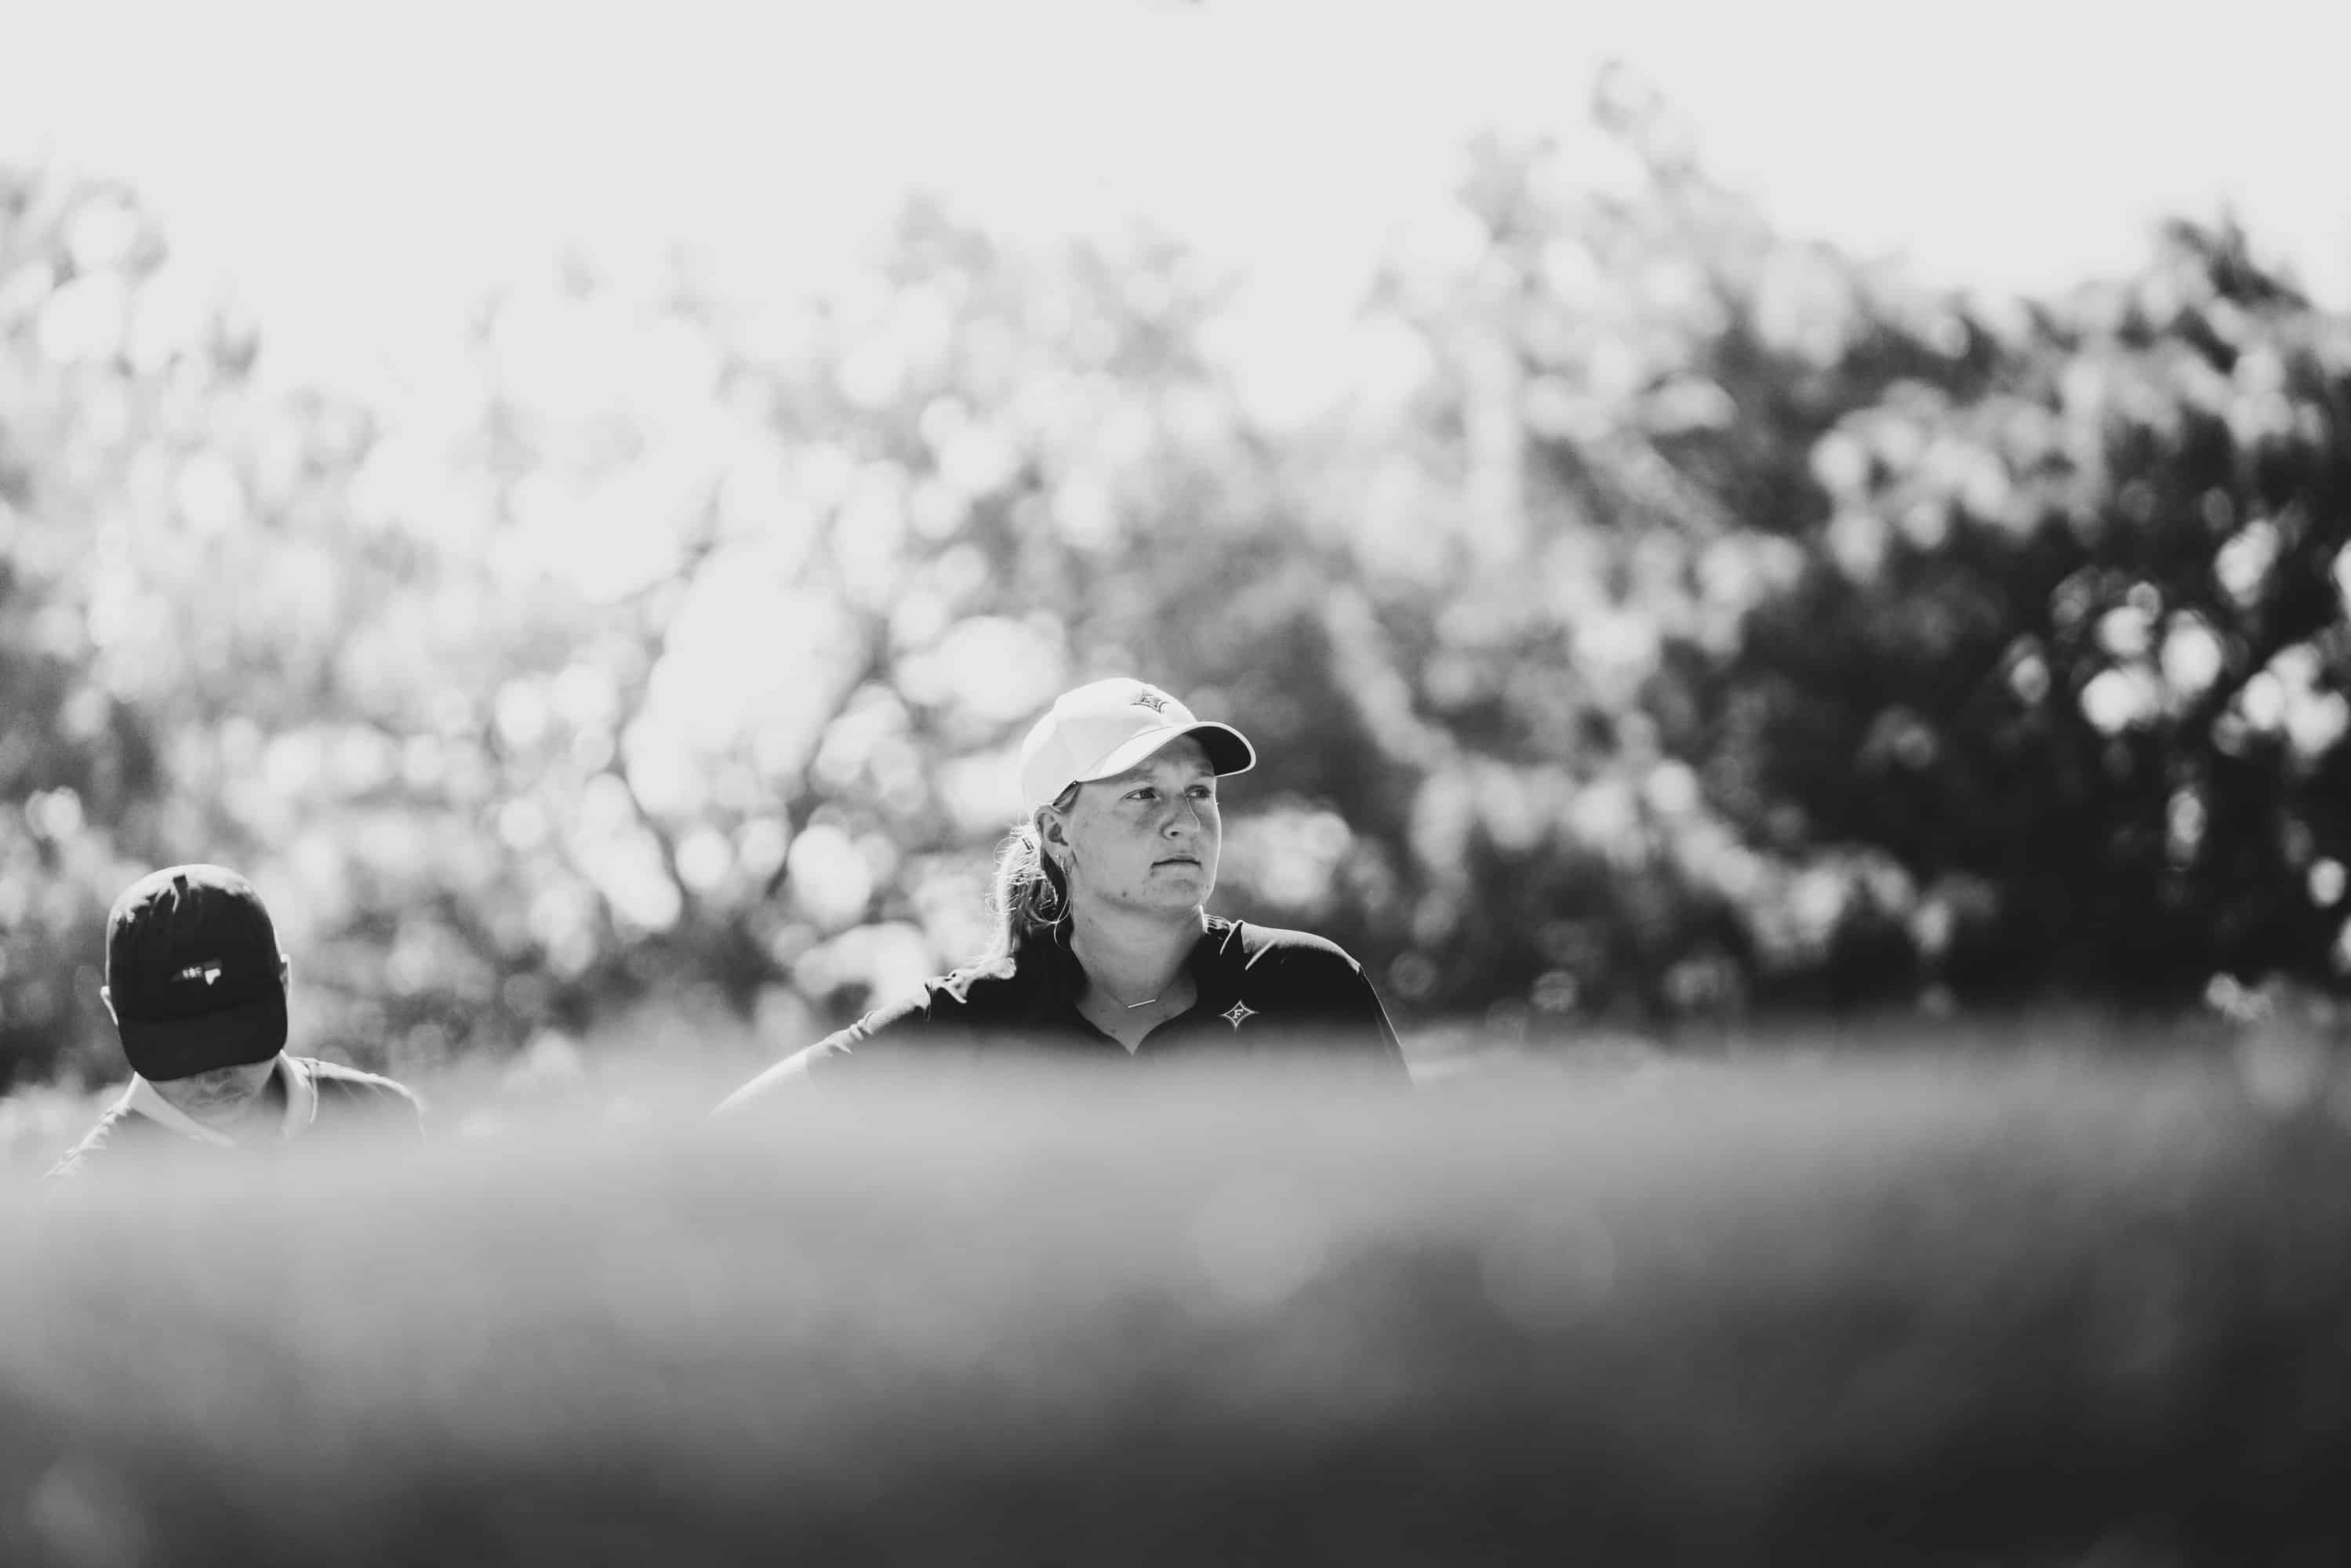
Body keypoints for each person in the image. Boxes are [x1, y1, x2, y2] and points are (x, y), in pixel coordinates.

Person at [718, 677, 1408, 1109]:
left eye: (1199, 791)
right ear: (1057, 832)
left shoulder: (1308, 983)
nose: (1184, 819)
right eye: (1143, 793)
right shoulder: (967, 1021)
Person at [45, 864, 424, 1179]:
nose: (213, 1080)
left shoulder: (384, 1120)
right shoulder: (83, 1197)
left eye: (236, 1042)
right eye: (179, 1053)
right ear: (115, 1012)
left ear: (285, 982)